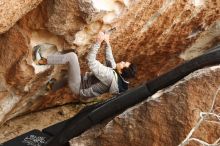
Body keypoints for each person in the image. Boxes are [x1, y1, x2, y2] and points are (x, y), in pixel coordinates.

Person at [37, 31, 137, 102]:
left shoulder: (110, 77)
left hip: (79, 87)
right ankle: (51, 87)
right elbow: (109, 59)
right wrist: (107, 42)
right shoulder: (117, 78)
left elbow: (91, 61)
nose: (123, 61)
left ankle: (42, 61)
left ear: (121, 71)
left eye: (124, 64)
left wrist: (98, 41)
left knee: (72, 57)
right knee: (68, 77)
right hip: (82, 82)